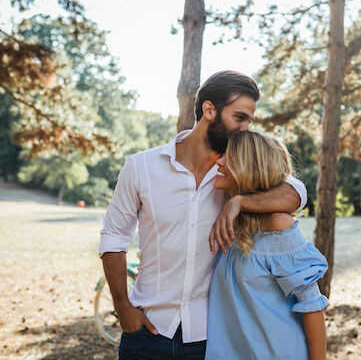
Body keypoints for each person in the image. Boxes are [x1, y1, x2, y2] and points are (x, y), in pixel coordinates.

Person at [99, 71, 308, 359]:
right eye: (240, 117)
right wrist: (123, 307)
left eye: (249, 120)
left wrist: (238, 202)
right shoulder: (141, 167)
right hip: (146, 332)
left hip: (212, 338)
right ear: (210, 110)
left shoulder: (232, 176)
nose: (245, 128)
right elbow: (113, 237)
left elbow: (297, 192)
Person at [205, 131, 328, 360]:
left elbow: (312, 305)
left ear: (248, 167)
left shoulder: (277, 225)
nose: (218, 161)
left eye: (228, 157)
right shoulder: (229, 224)